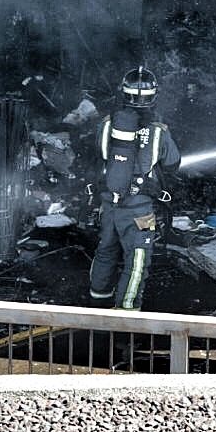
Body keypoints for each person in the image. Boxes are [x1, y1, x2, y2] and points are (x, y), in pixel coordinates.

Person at [89, 67, 181, 311]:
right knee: (137, 260)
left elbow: (99, 155)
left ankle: (95, 303)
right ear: (153, 96)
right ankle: (127, 312)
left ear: (124, 93)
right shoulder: (159, 132)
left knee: (105, 252)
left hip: (109, 204)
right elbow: (172, 163)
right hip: (139, 208)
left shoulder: (108, 125)